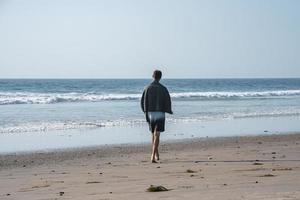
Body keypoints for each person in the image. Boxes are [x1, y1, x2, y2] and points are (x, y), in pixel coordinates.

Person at [141, 70, 173, 163]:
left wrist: (145, 112)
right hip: (160, 113)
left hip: (150, 113)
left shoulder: (147, 88)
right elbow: (167, 100)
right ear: (160, 77)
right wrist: (168, 110)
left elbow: (143, 101)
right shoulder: (163, 88)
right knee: (157, 134)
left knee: (152, 133)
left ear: (152, 76)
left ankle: (156, 153)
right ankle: (152, 155)